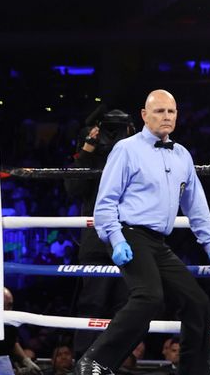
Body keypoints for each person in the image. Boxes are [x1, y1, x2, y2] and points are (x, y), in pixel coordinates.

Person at [74, 89, 210, 375]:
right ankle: (95, 361)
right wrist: (116, 239)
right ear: (145, 115)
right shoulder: (127, 149)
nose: (166, 117)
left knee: (197, 302)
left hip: (158, 241)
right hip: (129, 234)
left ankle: (194, 370)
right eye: (159, 111)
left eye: (171, 111)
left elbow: (196, 205)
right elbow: (105, 202)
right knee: (148, 297)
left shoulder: (181, 155)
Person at [64, 107, 135, 358]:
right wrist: (87, 150)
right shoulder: (91, 155)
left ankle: (118, 360)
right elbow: (73, 188)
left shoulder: (138, 152)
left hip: (130, 238)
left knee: (125, 306)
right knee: (92, 302)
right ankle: (84, 361)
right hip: (97, 241)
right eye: (109, 129)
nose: (112, 135)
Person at [0, 288, 42, 375]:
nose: (7, 309)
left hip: (3, 365)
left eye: (10, 305)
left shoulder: (10, 323)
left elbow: (13, 342)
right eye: (3, 305)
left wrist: (25, 360)